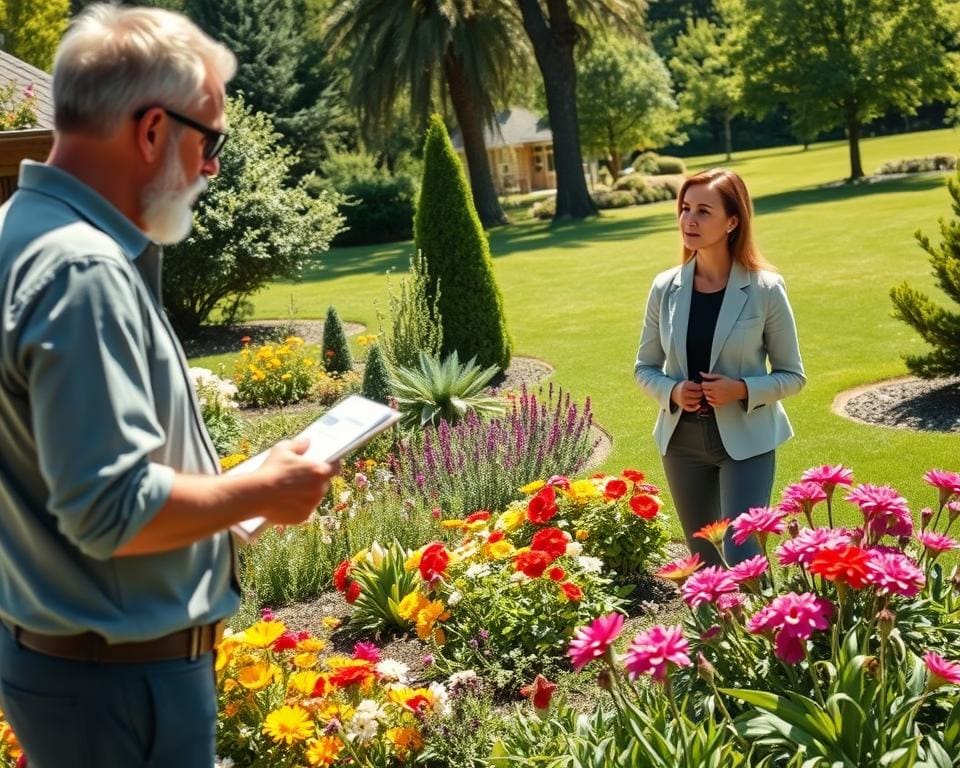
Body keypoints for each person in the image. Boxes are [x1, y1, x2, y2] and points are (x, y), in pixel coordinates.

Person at [0, 6, 339, 766]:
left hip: (71, 669)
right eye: (210, 141)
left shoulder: (18, 233)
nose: (212, 167)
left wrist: (238, 487)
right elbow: (108, 510)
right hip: (122, 688)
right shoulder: (82, 270)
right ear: (153, 130)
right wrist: (259, 492)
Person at [635, 168, 805, 566]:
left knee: (743, 558)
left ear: (732, 221)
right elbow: (645, 367)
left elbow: (793, 375)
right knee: (705, 562)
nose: (689, 220)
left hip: (747, 441)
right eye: (685, 208)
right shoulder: (665, 288)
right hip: (681, 443)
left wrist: (741, 389)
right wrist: (673, 391)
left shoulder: (765, 289)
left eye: (703, 211)